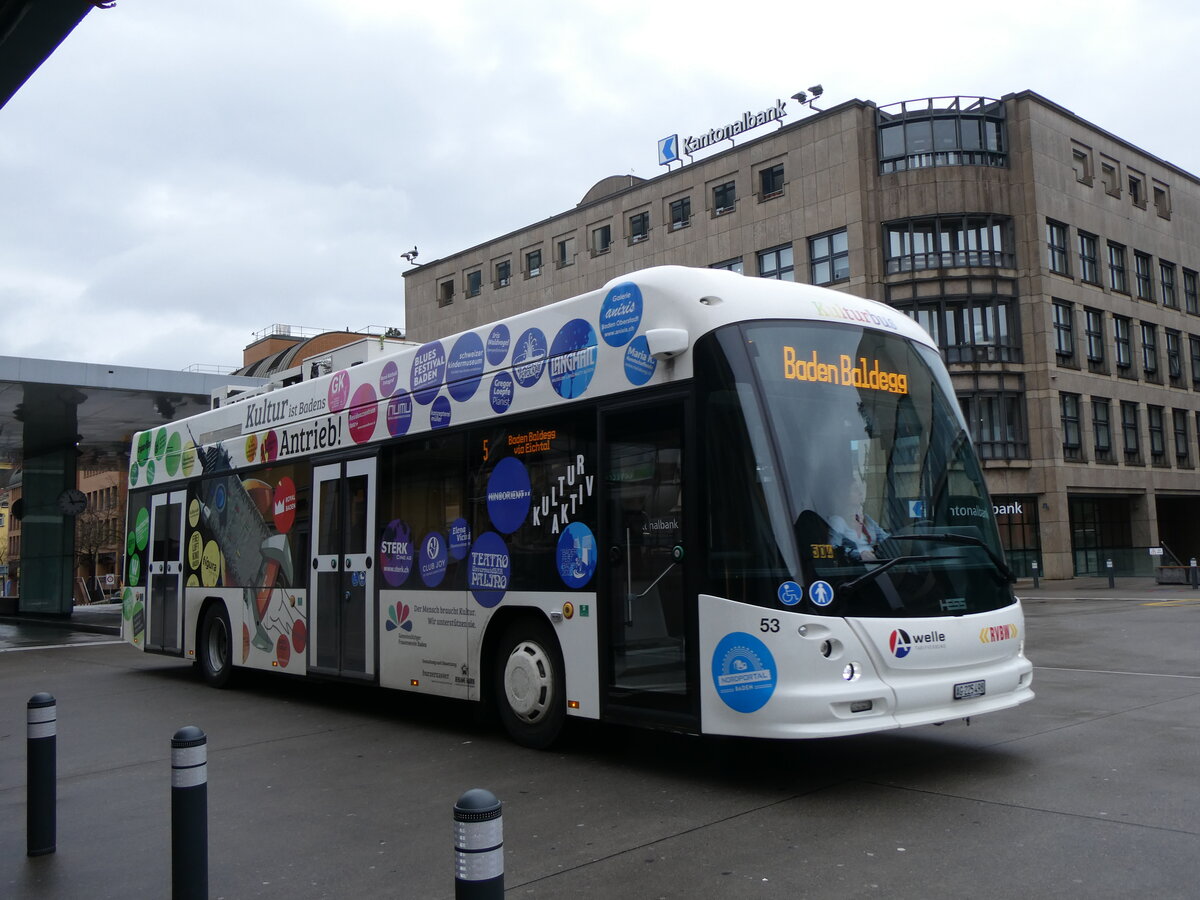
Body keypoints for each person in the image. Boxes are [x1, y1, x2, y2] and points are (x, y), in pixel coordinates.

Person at [828, 470, 887, 561]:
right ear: (845, 495)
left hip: (880, 565)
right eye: (855, 490)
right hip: (857, 569)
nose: (860, 493)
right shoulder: (838, 521)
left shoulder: (866, 519)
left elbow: (885, 539)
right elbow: (834, 548)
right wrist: (859, 554)